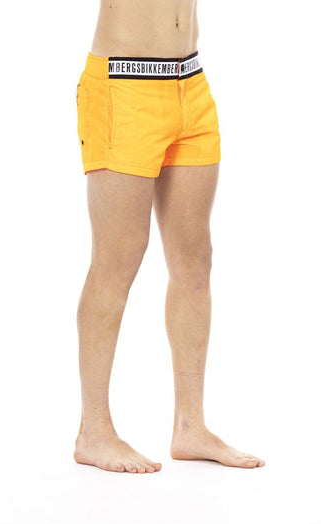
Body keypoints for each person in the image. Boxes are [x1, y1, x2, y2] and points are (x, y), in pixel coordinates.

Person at [74, 0, 265, 474]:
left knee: (195, 260)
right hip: (124, 84)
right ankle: (94, 431)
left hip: (189, 81)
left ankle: (190, 427)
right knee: (117, 261)